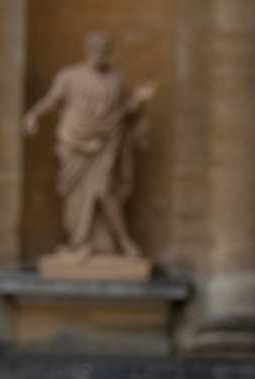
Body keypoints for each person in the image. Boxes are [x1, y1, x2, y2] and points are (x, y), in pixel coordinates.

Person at [22, 33, 156, 260]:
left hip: (105, 144)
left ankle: (124, 243)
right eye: (96, 49)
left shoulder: (117, 80)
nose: (100, 54)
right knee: (73, 194)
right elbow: (53, 100)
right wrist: (33, 115)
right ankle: (79, 243)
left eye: (105, 50)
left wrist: (140, 104)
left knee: (104, 191)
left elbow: (128, 111)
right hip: (74, 141)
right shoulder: (70, 76)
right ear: (87, 51)